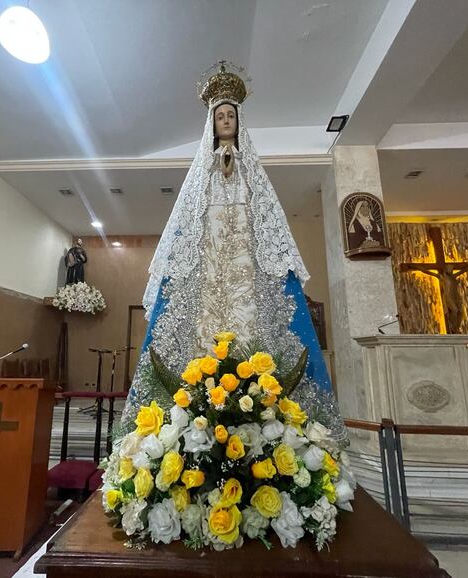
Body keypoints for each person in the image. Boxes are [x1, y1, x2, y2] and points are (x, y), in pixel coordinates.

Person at [121, 64, 348, 448]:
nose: (225, 120)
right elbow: (188, 219)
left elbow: (267, 217)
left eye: (230, 115)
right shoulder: (202, 171)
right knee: (202, 331)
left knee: (253, 330)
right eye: (220, 116)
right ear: (211, 124)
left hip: (244, 261)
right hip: (209, 263)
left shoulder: (250, 169)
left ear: (239, 122)